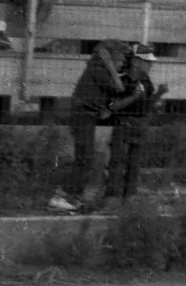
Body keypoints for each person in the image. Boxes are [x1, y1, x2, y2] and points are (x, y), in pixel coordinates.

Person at [50, 36, 128, 212]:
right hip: (82, 116)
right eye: (121, 59)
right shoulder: (97, 69)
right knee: (84, 159)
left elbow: (110, 99)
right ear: (111, 57)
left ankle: (70, 197)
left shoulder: (99, 69)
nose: (122, 63)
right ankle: (60, 196)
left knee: (86, 159)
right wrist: (112, 69)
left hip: (86, 116)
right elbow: (119, 87)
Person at [104, 43, 160, 203]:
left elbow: (148, 105)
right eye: (147, 61)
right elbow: (112, 106)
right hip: (123, 124)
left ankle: (129, 197)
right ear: (135, 62)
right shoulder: (121, 81)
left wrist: (160, 94)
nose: (151, 65)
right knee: (117, 162)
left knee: (134, 164)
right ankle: (112, 197)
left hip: (139, 125)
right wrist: (133, 98)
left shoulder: (146, 82)